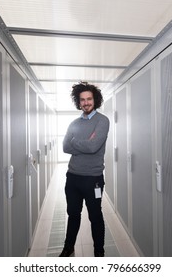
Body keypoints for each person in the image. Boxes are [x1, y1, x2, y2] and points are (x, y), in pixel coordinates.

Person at [59, 81, 110, 257]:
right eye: (82, 100)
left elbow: (93, 146)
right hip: (72, 178)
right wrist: (84, 144)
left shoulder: (102, 121)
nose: (86, 102)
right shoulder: (74, 123)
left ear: (95, 100)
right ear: (78, 102)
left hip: (93, 179)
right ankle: (68, 247)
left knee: (95, 216)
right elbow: (65, 147)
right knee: (73, 214)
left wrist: (76, 143)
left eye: (89, 99)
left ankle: (99, 252)